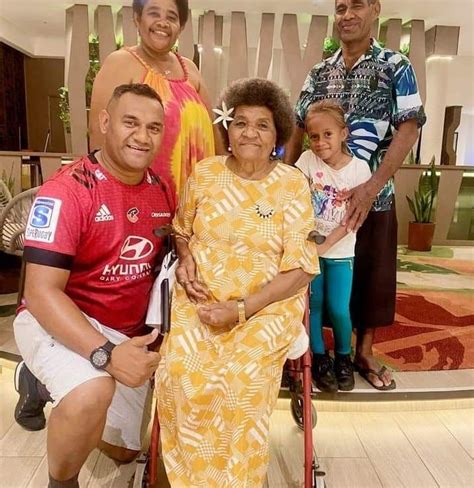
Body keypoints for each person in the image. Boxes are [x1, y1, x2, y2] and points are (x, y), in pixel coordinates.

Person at [156, 78, 319, 486]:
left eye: (262, 125)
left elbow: (301, 268)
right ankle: (191, 478)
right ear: (227, 129)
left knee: (241, 383)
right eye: (241, 122)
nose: (250, 133)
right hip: (201, 296)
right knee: (179, 373)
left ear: (278, 134)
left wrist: (242, 308)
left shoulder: (291, 184)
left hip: (266, 305)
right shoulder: (206, 173)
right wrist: (186, 257)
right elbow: (181, 229)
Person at [13, 83, 174, 488]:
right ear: (104, 122)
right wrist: (105, 355)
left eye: (153, 127)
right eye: (130, 122)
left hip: (124, 330)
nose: (142, 136)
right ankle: (61, 482)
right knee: (92, 391)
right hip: (58, 318)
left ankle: (44, 382)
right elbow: (40, 292)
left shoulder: (161, 190)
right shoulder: (66, 191)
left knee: (124, 450)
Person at [286, 0, 426, 390]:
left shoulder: (396, 65)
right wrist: (282, 180)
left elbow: (410, 126)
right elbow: (298, 125)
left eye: (357, 6)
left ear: (375, 9)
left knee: (371, 275)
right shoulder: (319, 72)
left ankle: (362, 352)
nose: (347, 15)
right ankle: (319, 352)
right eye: (341, 7)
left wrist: (370, 187)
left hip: (374, 191)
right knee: (318, 283)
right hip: (320, 200)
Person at [89, 0, 223, 197]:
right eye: (154, 13)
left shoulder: (189, 68)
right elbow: (99, 134)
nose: (163, 22)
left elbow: (213, 132)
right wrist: (108, 195)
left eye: (172, 17)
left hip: (198, 195)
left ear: (181, 27)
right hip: (140, 196)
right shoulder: (120, 62)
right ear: (137, 19)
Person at [296, 100, 372, 392]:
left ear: (344, 133)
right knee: (313, 306)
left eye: (327, 134)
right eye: (314, 136)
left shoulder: (359, 169)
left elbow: (353, 219)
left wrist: (325, 245)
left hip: (340, 251)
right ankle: (319, 357)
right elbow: (296, 198)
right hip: (311, 250)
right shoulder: (307, 161)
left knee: (338, 308)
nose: (320, 142)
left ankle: (342, 356)